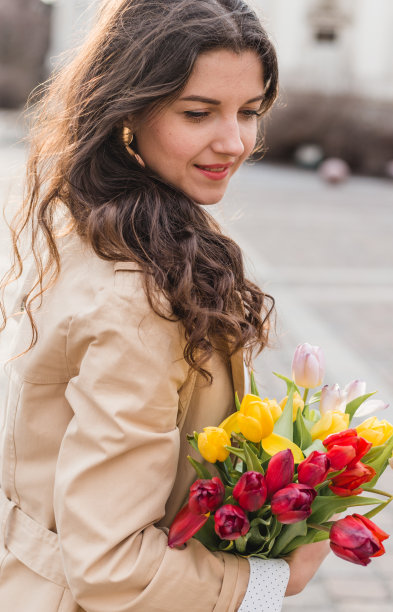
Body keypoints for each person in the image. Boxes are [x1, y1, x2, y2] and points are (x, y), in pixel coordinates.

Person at [0, 1, 331, 610]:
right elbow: (110, 564)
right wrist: (270, 583)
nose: (233, 141)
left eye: (249, 112)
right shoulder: (142, 293)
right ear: (129, 106)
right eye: (198, 113)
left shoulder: (81, 220)